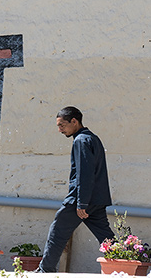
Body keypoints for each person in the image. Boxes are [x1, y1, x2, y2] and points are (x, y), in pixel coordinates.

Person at [42, 105, 114, 271]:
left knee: (58, 230)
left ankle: (45, 271)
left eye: (62, 125)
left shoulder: (81, 141)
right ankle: (125, 264)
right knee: (106, 238)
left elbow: (85, 174)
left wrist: (81, 203)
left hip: (81, 199)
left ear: (74, 121)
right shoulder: (93, 138)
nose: (60, 130)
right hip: (97, 199)